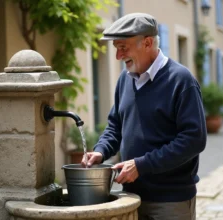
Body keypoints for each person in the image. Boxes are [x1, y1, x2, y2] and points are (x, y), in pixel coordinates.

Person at [82, 13, 207, 220]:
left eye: (123, 47)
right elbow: (115, 125)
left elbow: (194, 140)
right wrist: (101, 151)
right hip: (130, 197)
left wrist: (141, 165)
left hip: (170, 202)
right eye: (116, 49)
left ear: (147, 42)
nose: (118, 56)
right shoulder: (125, 79)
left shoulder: (181, 81)